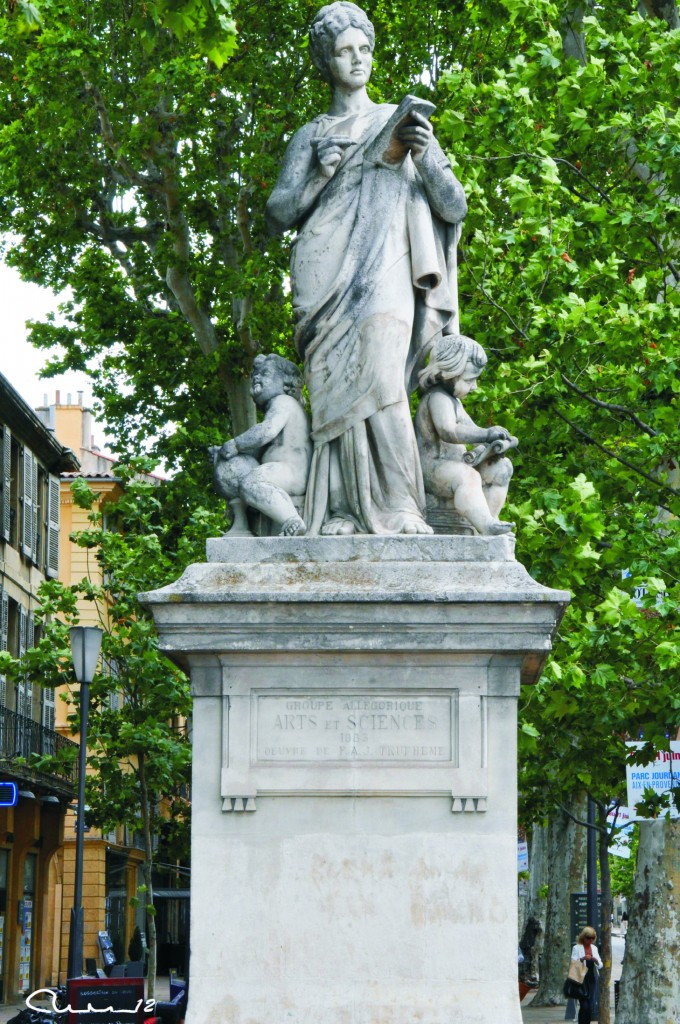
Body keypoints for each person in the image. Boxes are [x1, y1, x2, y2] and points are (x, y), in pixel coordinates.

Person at [265, 2, 468, 536]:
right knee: (332, 387)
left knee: (383, 377)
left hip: (386, 265)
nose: (356, 60)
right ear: (325, 61)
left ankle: (401, 507)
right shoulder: (311, 134)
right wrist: (318, 176)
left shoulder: (400, 123)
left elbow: (454, 206)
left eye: (364, 49)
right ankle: (339, 511)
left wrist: (423, 157)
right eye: (343, 51)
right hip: (321, 266)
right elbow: (279, 211)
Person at [414, 334, 515, 535]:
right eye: (469, 380)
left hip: (455, 463)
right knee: (467, 475)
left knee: (502, 467)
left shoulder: (455, 402)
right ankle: (485, 525)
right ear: (449, 373)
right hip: (432, 467)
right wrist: (487, 434)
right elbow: (449, 431)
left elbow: (471, 430)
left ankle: (488, 522)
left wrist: (493, 445)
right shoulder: (437, 398)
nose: (475, 386)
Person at [210, 354, 312, 536]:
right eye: (255, 374)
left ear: (286, 383)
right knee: (245, 477)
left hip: (292, 472)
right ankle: (242, 526)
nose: (257, 377)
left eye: (265, 373)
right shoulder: (277, 405)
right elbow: (259, 448)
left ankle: (291, 519)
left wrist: (236, 444)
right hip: (281, 470)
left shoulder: (284, 402)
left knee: (251, 482)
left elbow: (266, 431)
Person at [571, 926, 602, 1024]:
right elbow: (573, 962)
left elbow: (600, 965)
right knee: (584, 1005)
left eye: (593, 938)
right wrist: (582, 958)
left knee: (590, 1005)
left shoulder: (594, 948)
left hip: (591, 978)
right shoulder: (576, 948)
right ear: (583, 937)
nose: (591, 940)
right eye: (589, 938)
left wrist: (595, 960)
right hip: (581, 979)